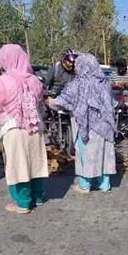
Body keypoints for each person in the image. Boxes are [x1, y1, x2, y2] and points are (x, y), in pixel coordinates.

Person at [0, 44, 48, 214]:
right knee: (35, 161)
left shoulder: (3, 80)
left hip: (13, 128)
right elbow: (40, 105)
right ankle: (37, 196)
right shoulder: (34, 80)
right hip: (34, 127)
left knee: (19, 164)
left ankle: (23, 203)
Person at [47, 54, 117, 193]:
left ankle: (85, 185)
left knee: (86, 154)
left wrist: (49, 102)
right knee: (103, 154)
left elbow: (62, 102)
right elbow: (111, 103)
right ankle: (104, 184)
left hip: (86, 126)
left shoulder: (77, 84)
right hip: (105, 126)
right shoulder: (104, 83)